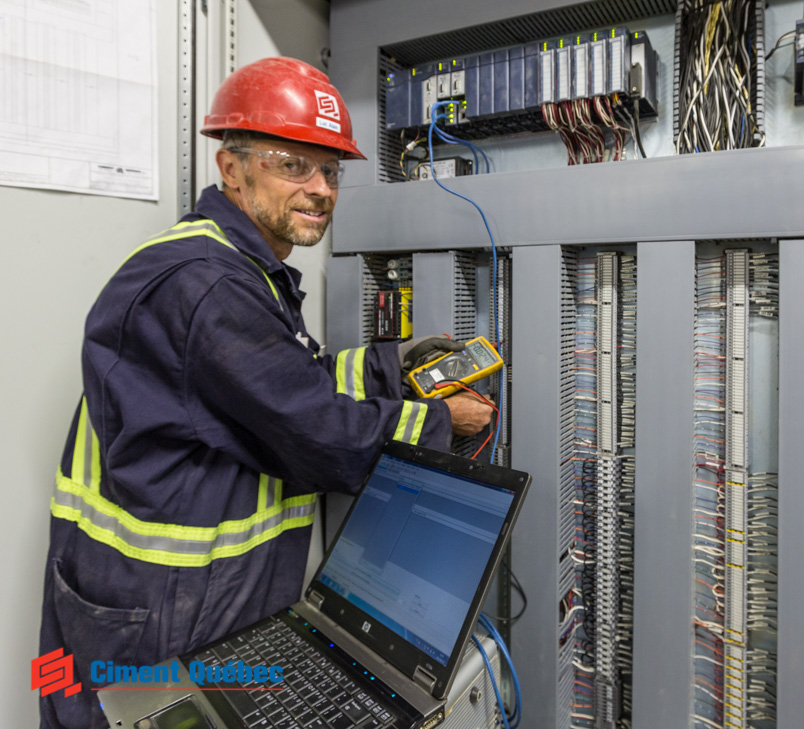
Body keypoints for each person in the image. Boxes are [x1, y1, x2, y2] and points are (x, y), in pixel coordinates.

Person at [38, 57, 495, 729]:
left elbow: (280, 382)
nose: (319, 189)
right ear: (233, 168)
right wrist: (436, 421)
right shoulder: (211, 287)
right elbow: (317, 434)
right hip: (162, 615)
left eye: (331, 171)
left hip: (163, 600)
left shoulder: (237, 268)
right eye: (293, 166)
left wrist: (389, 369)